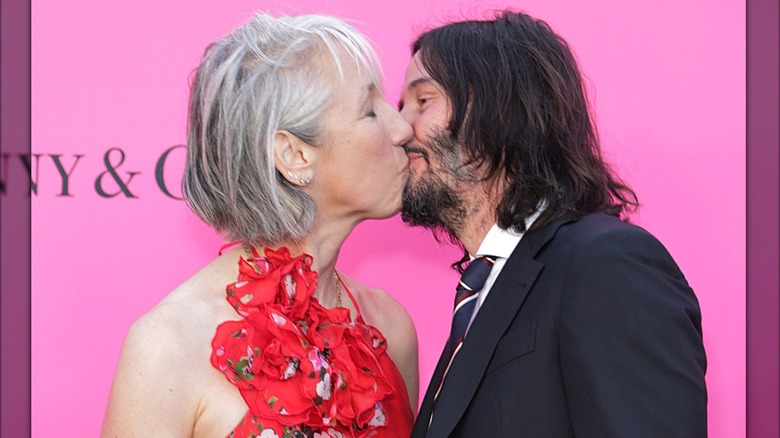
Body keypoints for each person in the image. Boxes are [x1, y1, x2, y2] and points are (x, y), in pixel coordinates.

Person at [101, 13, 418, 438]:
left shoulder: (389, 327)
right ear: (293, 154)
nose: (402, 128)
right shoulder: (168, 346)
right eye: (369, 112)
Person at [398, 10, 707, 438]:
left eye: (423, 100)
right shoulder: (481, 291)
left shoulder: (607, 265)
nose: (399, 128)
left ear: (496, 109)